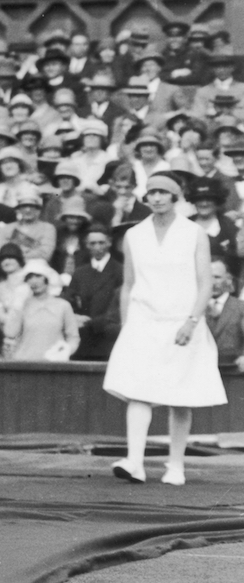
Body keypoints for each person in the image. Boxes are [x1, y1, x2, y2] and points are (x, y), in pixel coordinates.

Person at [103, 174, 225, 486]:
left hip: (183, 321)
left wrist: (192, 320)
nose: (156, 198)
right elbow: (128, 285)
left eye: (163, 193)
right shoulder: (134, 234)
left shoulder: (193, 232)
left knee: (179, 396)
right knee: (137, 391)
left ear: (175, 198)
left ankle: (176, 466)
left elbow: (205, 282)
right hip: (143, 321)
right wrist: (127, 325)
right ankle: (134, 462)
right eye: (152, 193)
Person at [3, 260, 78, 360]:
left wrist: (66, 351)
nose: (34, 281)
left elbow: (73, 337)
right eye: (29, 277)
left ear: (46, 278)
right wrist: (18, 304)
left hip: (54, 364)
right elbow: (10, 332)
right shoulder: (22, 305)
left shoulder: (63, 305)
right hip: (25, 362)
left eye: (38, 276)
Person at [69, 225, 124, 361]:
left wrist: (93, 322)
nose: (98, 247)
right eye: (93, 243)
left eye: (101, 243)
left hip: (108, 336)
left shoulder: (120, 271)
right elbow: (70, 298)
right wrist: (74, 316)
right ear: (86, 245)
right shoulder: (80, 272)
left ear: (109, 243)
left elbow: (120, 306)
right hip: (83, 337)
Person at [204, 260, 244, 369]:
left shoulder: (240, 307)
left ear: (228, 280)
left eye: (217, 277)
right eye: (208, 277)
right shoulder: (196, 309)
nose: (212, 282)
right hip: (202, 371)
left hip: (232, 370)